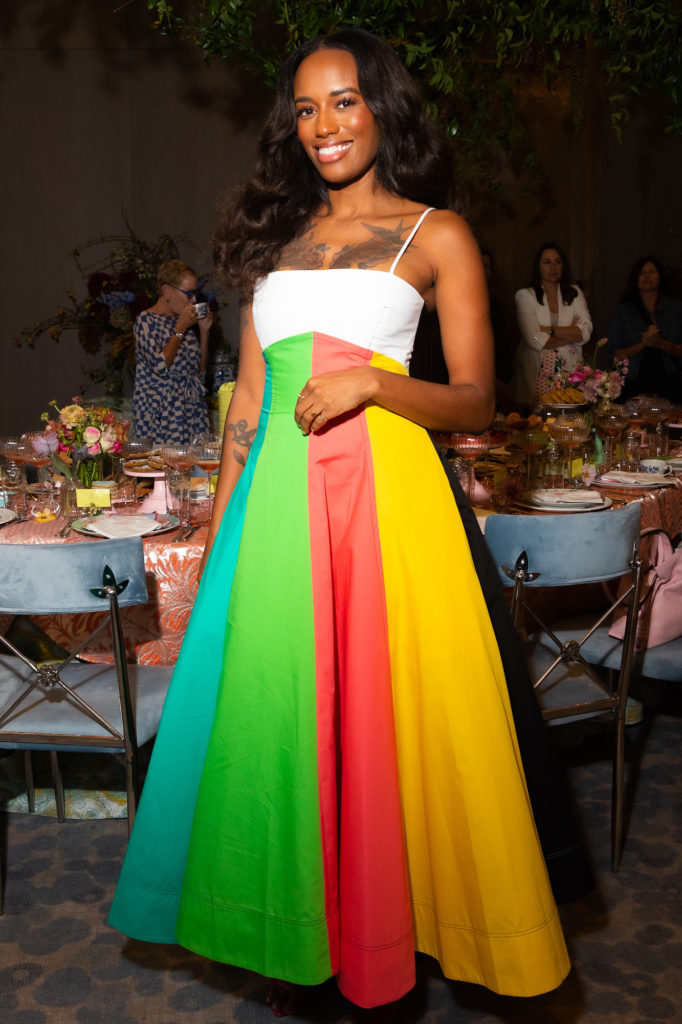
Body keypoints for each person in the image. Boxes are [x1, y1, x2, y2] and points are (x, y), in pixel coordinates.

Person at [109, 30, 576, 1018]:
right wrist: (219, 549)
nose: (324, 125)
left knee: (390, 725)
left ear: (383, 109)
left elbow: (480, 400)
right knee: (279, 727)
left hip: (389, 514)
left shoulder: (435, 234)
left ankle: (387, 933)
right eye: (308, 109)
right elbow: (242, 412)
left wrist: (373, 380)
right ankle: (295, 927)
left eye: (346, 102)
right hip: (274, 519)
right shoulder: (277, 251)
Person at [132, 259, 212, 444]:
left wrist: (204, 331)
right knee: (163, 470)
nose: (193, 300)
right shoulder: (146, 321)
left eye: (195, 294)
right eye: (189, 293)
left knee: (197, 470)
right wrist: (180, 329)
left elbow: (199, 372)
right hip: (162, 416)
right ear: (167, 290)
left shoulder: (184, 323)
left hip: (190, 413)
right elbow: (160, 366)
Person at [508, 242, 592, 406]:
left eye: (558, 262)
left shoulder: (574, 292)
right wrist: (571, 335)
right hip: (536, 374)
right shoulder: (526, 295)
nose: (553, 267)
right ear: (538, 266)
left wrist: (549, 330)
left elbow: (586, 331)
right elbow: (532, 338)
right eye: (547, 262)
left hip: (570, 372)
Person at [606, 255, 682, 403]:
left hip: (670, 380)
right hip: (632, 382)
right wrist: (642, 344)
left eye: (652, 272)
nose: (647, 276)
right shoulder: (623, 311)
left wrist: (661, 344)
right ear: (635, 279)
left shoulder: (677, 309)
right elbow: (614, 356)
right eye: (642, 273)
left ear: (660, 277)